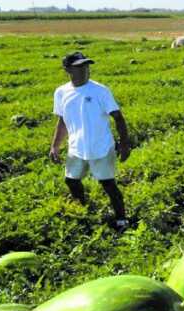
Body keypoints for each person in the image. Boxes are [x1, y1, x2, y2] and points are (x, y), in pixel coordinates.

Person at [49, 51, 131, 229]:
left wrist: (124, 144)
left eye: (86, 66)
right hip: (76, 147)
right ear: (67, 69)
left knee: (108, 184)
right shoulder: (61, 92)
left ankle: (121, 219)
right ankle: (82, 209)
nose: (85, 70)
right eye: (80, 67)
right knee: (71, 180)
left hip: (101, 147)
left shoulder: (100, 91)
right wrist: (55, 146)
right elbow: (62, 120)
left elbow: (118, 117)